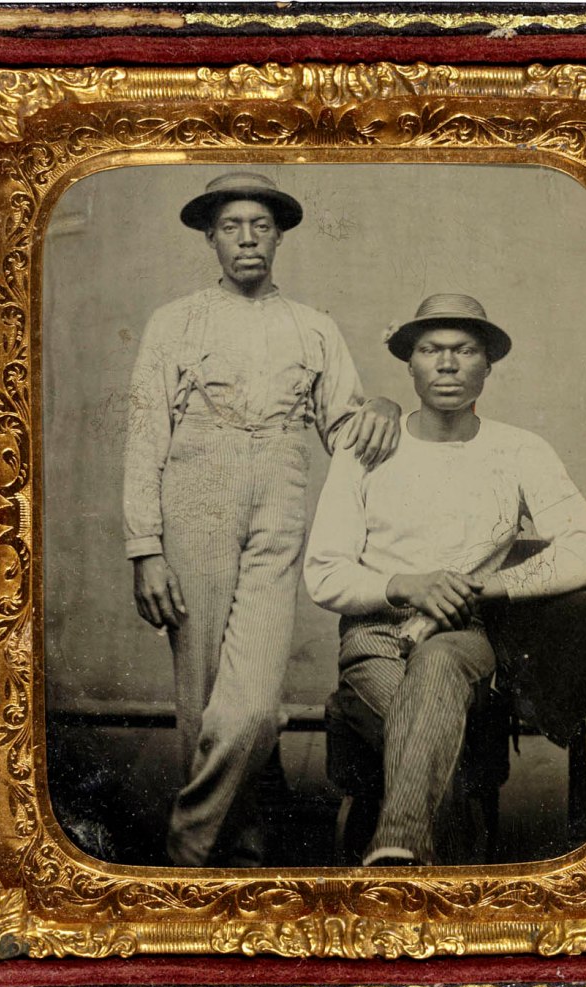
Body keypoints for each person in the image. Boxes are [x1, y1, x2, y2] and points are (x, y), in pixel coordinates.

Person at [123, 172, 400, 867]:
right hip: (193, 503)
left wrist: (386, 409)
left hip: (279, 503)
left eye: (260, 226)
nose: (247, 238)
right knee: (204, 702)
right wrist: (145, 548)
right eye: (231, 226)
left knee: (249, 706)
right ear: (211, 238)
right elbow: (144, 435)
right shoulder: (173, 321)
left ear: (278, 235)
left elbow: (347, 429)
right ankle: (241, 854)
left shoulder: (313, 326)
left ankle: (186, 849)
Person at [304, 293, 586, 867]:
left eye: (464, 349)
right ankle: (447, 873)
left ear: (488, 364)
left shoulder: (520, 449)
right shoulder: (368, 445)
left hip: (463, 635)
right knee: (428, 736)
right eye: (431, 349)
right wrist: (406, 585)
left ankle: (396, 850)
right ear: (410, 362)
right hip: (375, 640)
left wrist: (482, 588)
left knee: (443, 662)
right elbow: (324, 573)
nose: (447, 363)